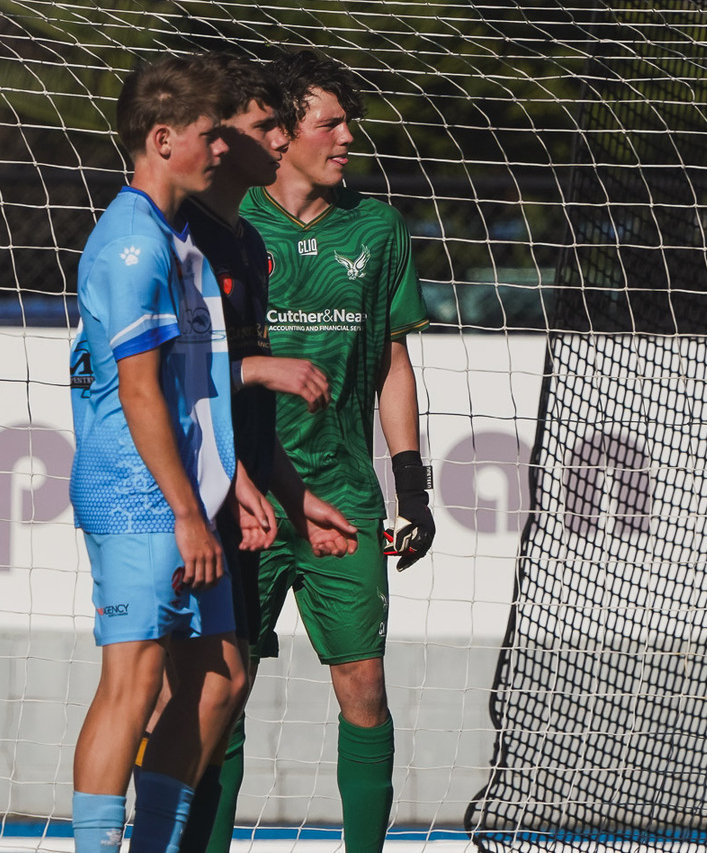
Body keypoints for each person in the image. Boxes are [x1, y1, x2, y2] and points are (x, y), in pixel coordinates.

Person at [137, 53, 358, 853]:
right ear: (219, 136)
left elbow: (225, 399)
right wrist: (224, 475)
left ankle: (161, 840)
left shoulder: (238, 243)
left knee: (218, 683)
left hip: (228, 491)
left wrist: (285, 490)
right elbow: (152, 377)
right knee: (149, 689)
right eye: (265, 123)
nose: (276, 136)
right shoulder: (166, 236)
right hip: (169, 496)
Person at [237, 49, 433, 853]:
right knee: (220, 693)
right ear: (280, 136)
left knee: (362, 684)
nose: (348, 136)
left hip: (344, 501)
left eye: (348, 121)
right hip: (241, 499)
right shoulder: (232, 222)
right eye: (331, 122)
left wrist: (410, 488)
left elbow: (391, 363)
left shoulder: (377, 227)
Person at [68, 55, 244, 853]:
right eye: (211, 136)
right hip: (140, 496)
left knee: (218, 681)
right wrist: (183, 510)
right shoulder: (133, 244)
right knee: (132, 683)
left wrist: (225, 481)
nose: (222, 149)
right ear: (162, 138)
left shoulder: (173, 238)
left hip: (182, 495)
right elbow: (138, 392)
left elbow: (185, 389)